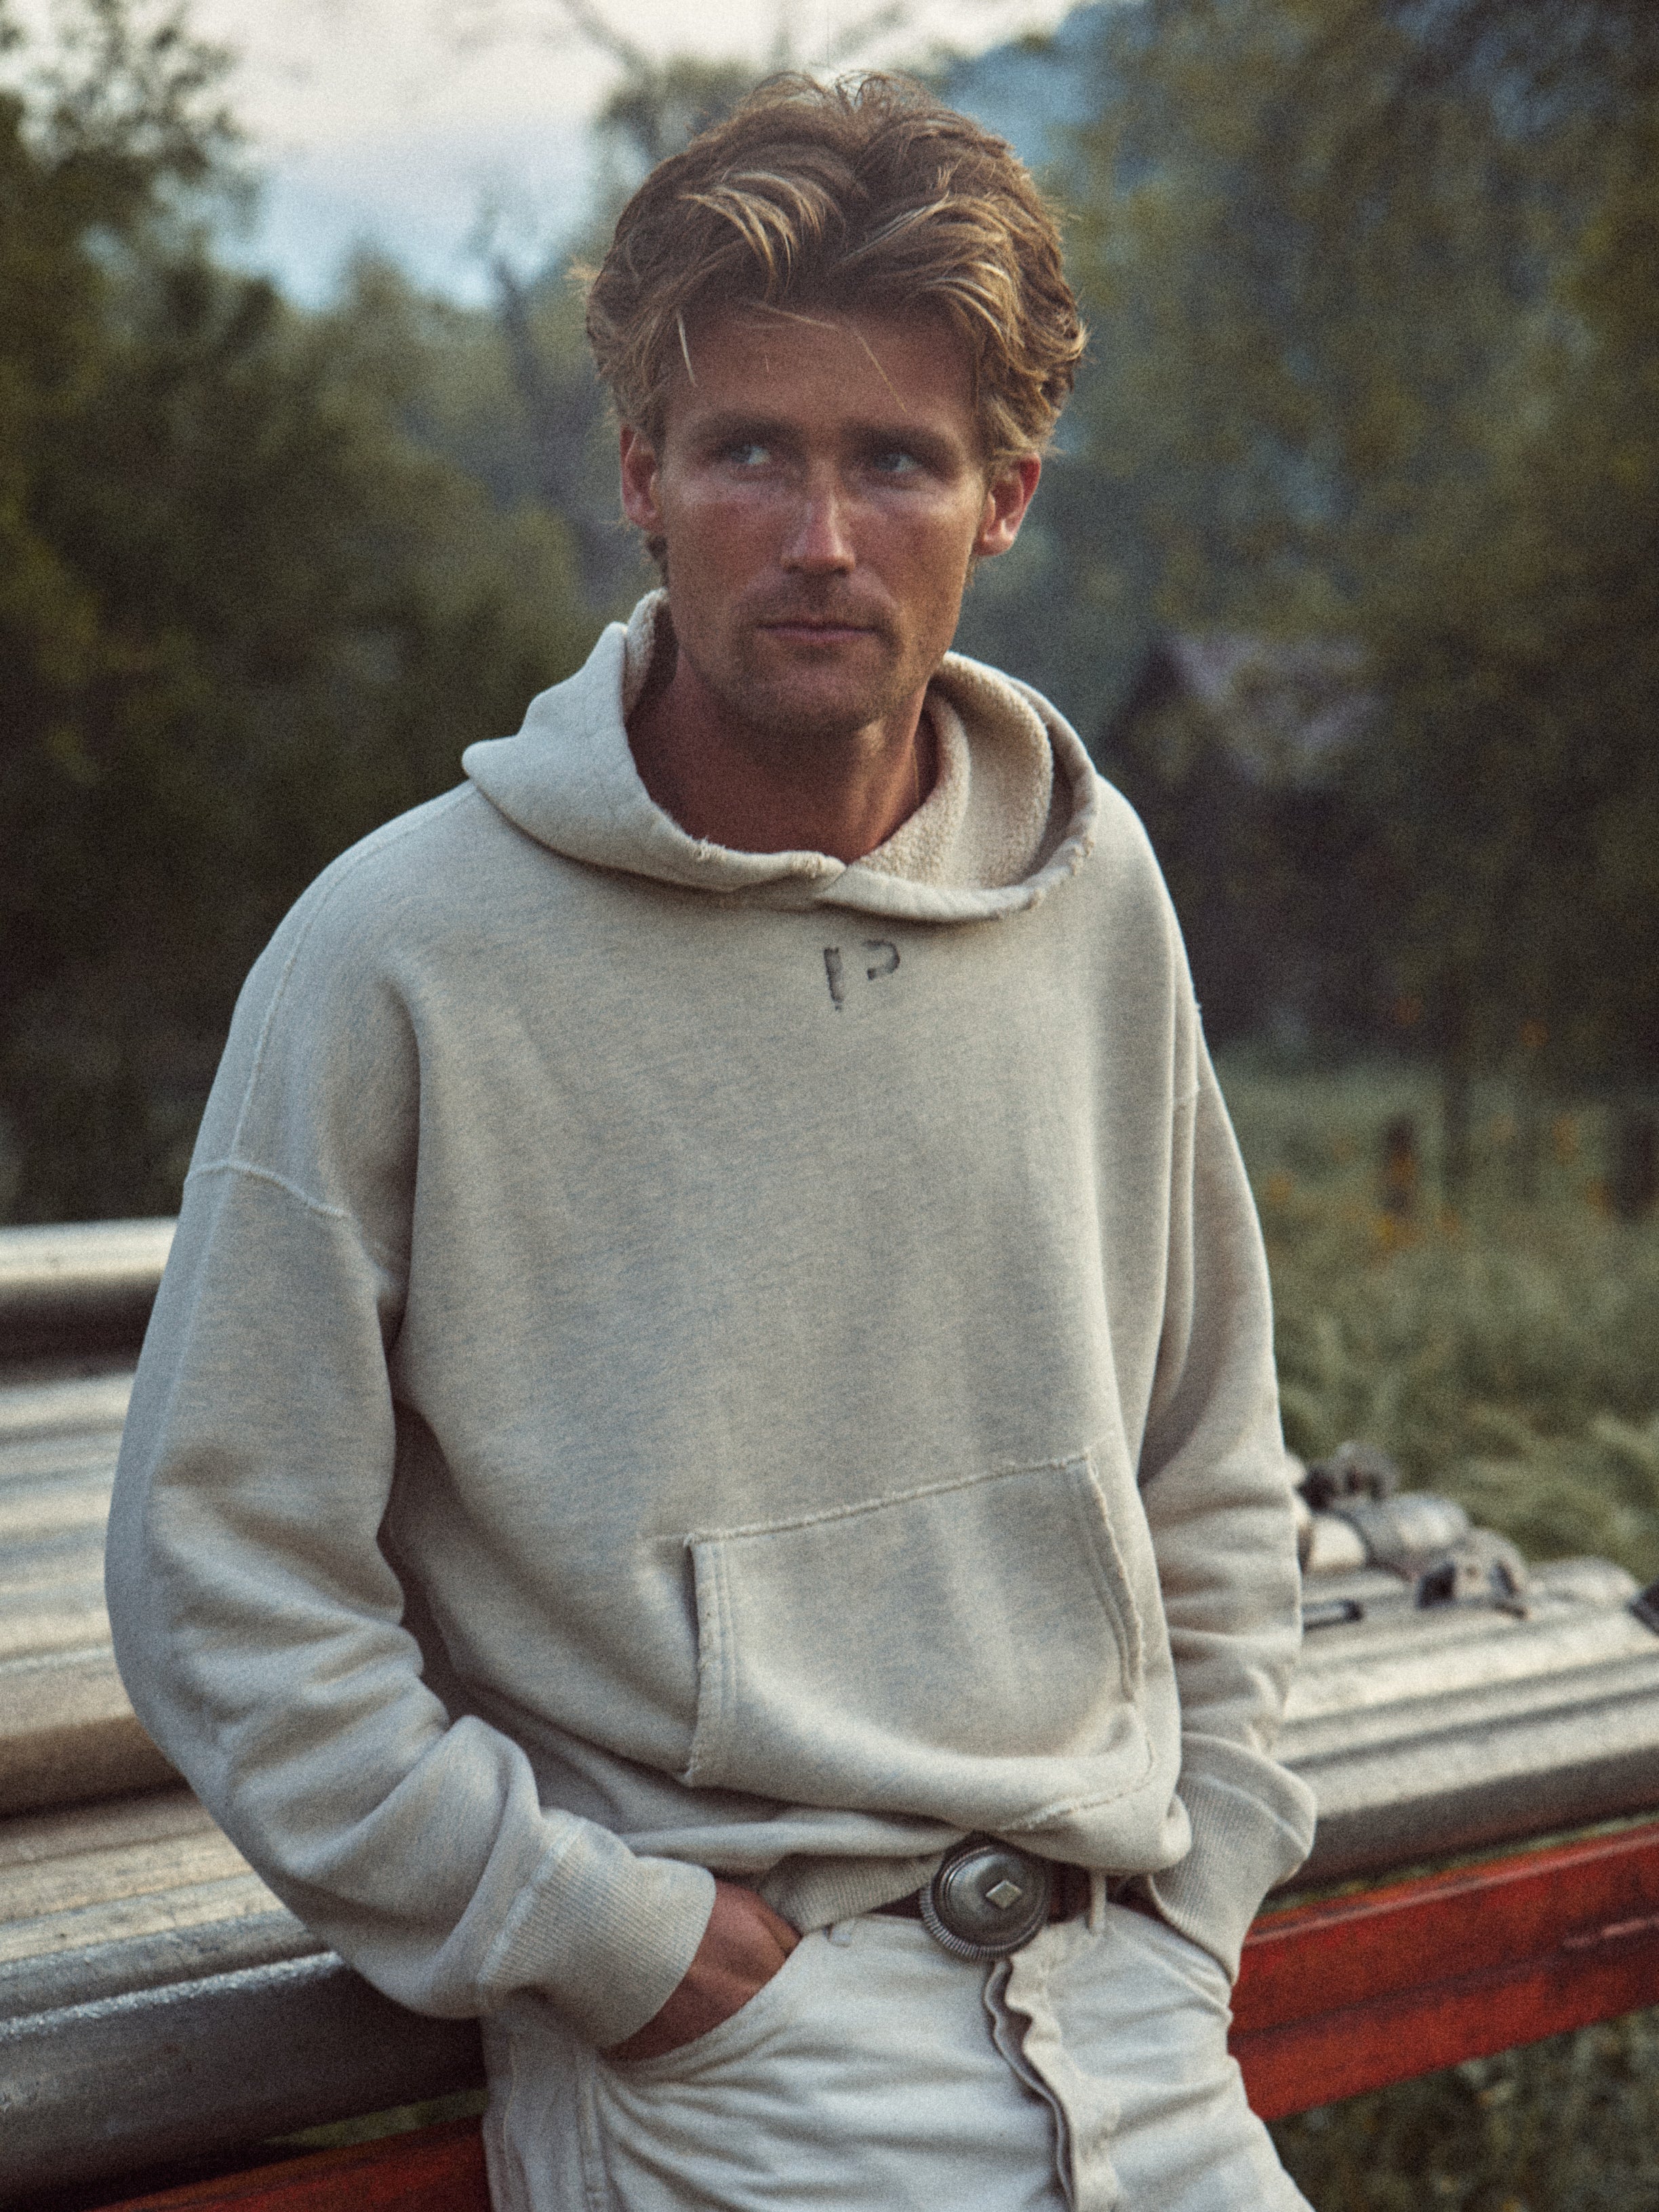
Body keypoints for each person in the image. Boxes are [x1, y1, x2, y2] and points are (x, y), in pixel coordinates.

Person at [106, 73, 1317, 2212]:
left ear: (1005, 497)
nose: (822, 536)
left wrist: (1209, 1874)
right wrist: (608, 1942)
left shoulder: (1093, 887)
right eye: (754, 450)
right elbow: (222, 1575)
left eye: (897, 462)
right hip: (736, 2061)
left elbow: (1206, 1450)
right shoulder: (400, 953)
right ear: (644, 477)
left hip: (1133, 2013)